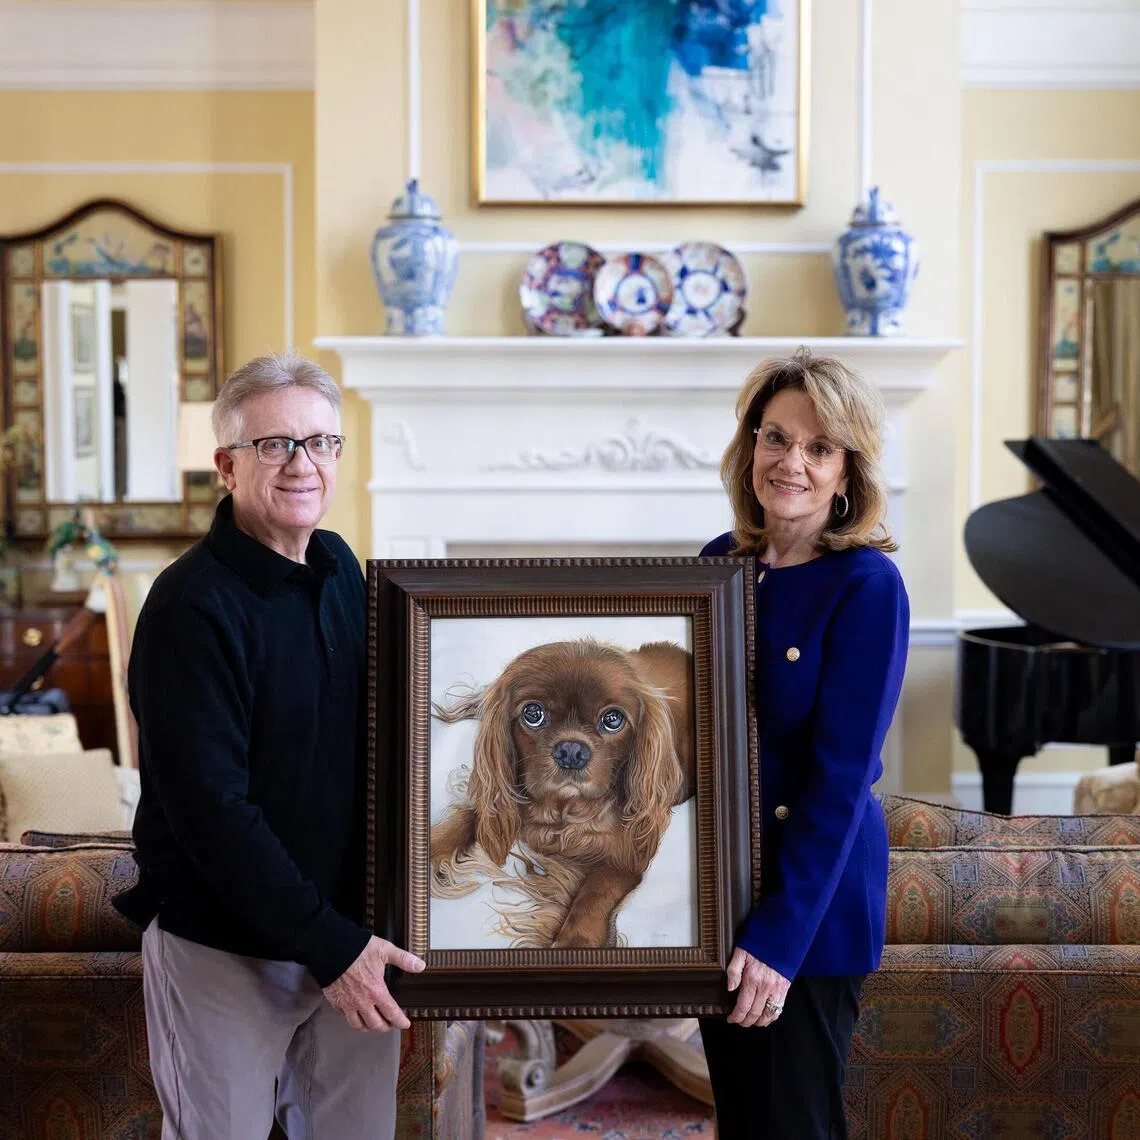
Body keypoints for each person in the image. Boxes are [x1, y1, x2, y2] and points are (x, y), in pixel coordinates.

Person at [114, 352, 424, 1140]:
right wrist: (332, 947)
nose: (303, 464)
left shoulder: (343, 570)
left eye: (321, 442)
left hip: (349, 937)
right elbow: (210, 810)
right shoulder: (189, 607)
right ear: (226, 465)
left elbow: (388, 749)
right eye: (276, 444)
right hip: (225, 948)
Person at [698, 347, 909, 1139]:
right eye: (776, 437)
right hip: (723, 898)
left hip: (807, 917)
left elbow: (838, 783)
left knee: (796, 1126)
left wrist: (780, 941)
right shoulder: (719, 566)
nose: (792, 462)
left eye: (819, 447)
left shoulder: (867, 586)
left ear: (847, 471)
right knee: (745, 1123)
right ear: (750, 445)